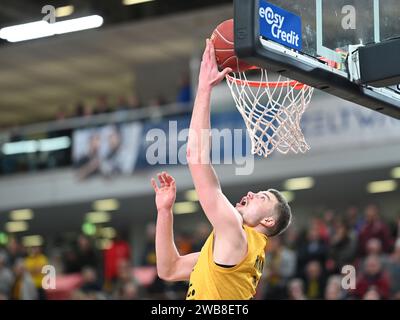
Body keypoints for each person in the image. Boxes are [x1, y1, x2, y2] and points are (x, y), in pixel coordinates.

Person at [151, 39, 292, 300]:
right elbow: (169, 269)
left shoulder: (236, 234)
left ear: (268, 221)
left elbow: (196, 156)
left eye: (262, 198)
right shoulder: (235, 246)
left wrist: (204, 88)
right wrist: (165, 212)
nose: (251, 193)